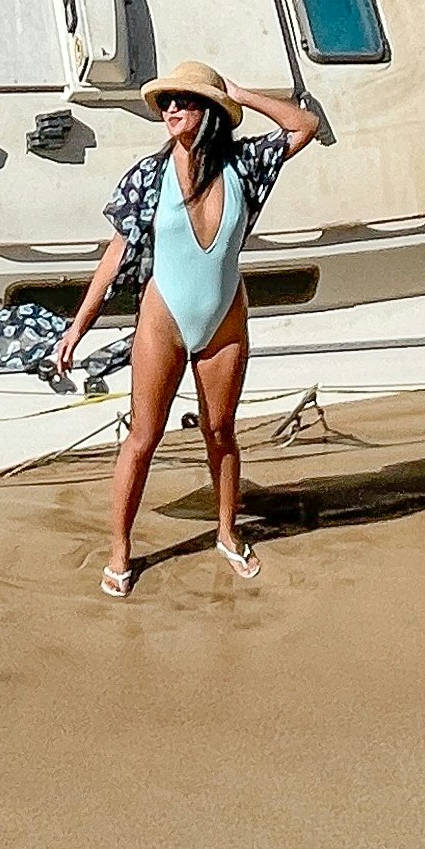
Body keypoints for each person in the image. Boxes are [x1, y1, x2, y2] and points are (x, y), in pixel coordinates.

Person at [54, 59, 322, 596]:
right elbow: (115, 255)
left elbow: (304, 126)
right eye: (166, 103)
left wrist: (240, 92)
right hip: (164, 321)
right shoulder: (148, 177)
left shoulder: (247, 165)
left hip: (225, 319)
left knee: (221, 432)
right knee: (143, 437)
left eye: (185, 100)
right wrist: (78, 326)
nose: (171, 109)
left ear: (211, 111)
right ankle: (121, 550)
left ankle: (226, 532)